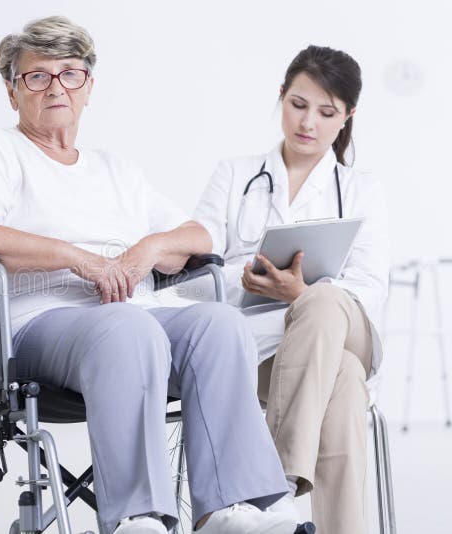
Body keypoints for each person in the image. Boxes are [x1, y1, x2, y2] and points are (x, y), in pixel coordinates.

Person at [0, 16, 295, 534]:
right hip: (34, 323)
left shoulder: (116, 169)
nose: (56, 86)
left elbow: (201, 237)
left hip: (133, 319)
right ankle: (136, 517)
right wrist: (72, 256)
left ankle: (234, 508)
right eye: (38, 76)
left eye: (70, 74)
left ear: (88, 87)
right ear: (13, 92)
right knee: (130, 328)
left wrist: (149, 247)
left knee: (219, 325)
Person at [191, 45, 389, 533]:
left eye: (327, 113)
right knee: (341, 382)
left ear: (347, 118)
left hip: (347, 332)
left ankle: (274, 484)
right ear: (281, 97)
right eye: (298, 105)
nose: (308, 123)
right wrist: (251, 279)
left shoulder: (361, 189)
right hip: (262, 350)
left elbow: (368, 286)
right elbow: (200, 265)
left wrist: (300, 294)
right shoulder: (235, 174)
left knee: (323, 299)